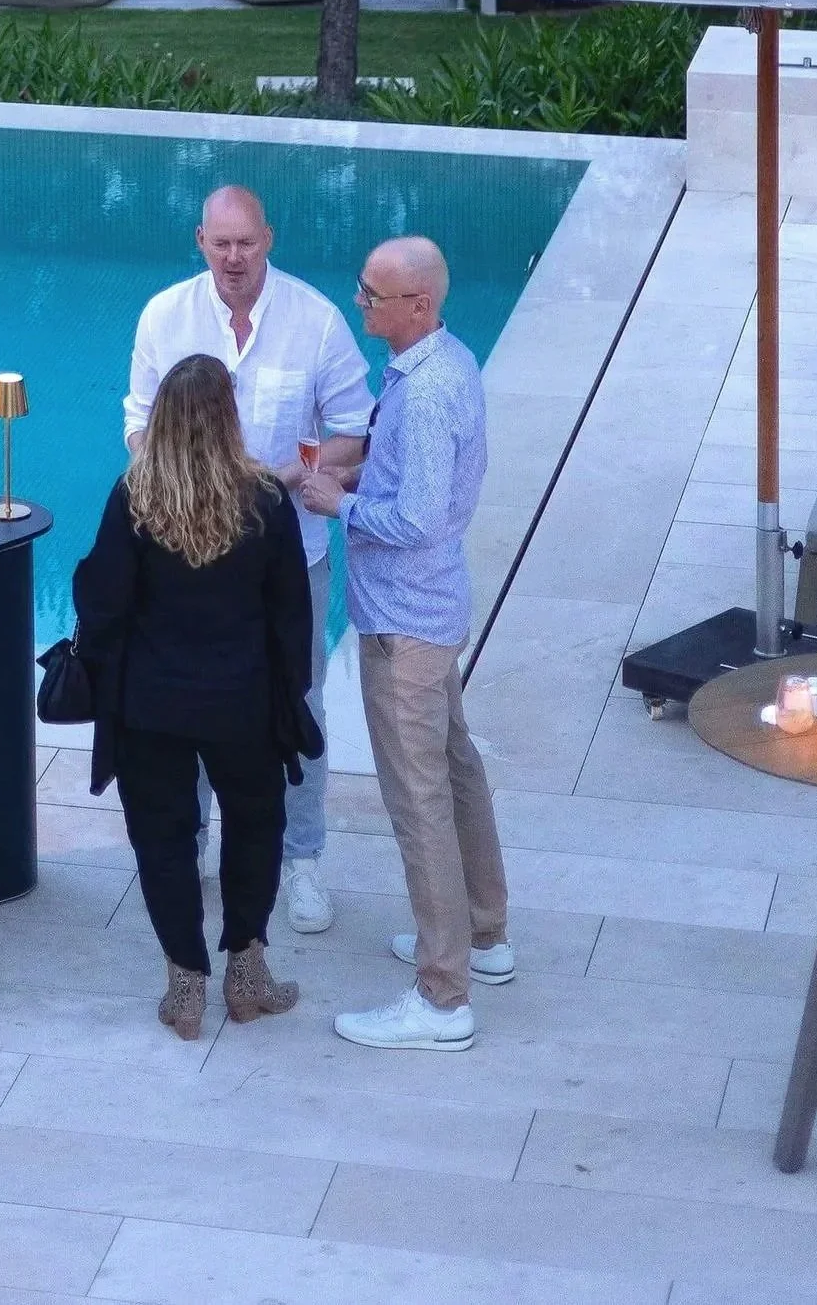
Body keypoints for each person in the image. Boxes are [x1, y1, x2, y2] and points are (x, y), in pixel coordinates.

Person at [123, 180, 370, 932]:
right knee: (189, 698)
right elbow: (138, 429)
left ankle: (303, 862)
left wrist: (287, 473)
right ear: (201, 240)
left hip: (289, 553)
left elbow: (355, 435)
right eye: (220, 243)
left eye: (246, 243)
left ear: (269, 240)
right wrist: (189, 484)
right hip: (188, 557)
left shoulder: (318, 322)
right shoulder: (165, 316)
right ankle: (196, 841)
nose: (234, 257)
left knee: (298, 702)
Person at [301, 234, 510, 1052]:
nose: (359, 302)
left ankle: (441, 992)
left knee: (418, 799)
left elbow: (417, 520)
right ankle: (483, 933)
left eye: (371, 293)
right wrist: (360, 476)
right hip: (434, 608)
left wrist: (335, 502)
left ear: (415, 305)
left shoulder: (422, 395)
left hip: (404, 619)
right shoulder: (445, 361)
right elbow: (421, 484)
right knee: (457, 772)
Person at [73, 353, 315, 1039]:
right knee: (255, 827)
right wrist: (287, 695)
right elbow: (290, 612)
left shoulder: (136, 497)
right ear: (227, 417)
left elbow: (103, 599)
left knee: (163, 836)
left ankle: (185, 984)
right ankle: (246, 973)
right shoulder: (264, 499)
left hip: (152, 704)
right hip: (242, 700)